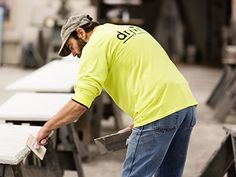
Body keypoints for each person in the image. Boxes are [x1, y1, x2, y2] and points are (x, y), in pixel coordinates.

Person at [36, 14, 198, 177]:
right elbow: (147, 72)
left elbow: (80, 103)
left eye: (71, 47)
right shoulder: (129, 30)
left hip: (156, 110)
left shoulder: (95, 45)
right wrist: (141, 118)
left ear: (81, 33)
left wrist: (47, 128)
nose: (73, 54)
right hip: (185, 106)